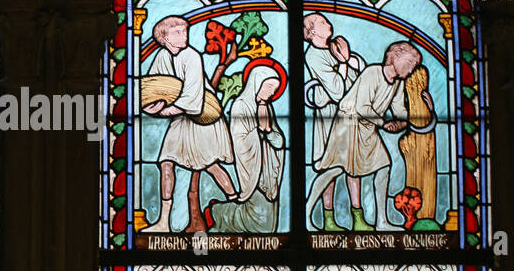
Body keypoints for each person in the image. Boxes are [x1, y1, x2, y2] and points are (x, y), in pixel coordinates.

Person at [305, 40, 422, 231]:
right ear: (395, 58)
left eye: (413, 66)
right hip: (348, 125)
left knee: (384, 166)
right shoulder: (372, 73)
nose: (411, 69)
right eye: (410, 64)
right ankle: (306, 214)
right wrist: (384, 124)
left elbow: (399, 108)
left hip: (367, 129)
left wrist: (401, 123)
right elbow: (362, 107)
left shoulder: (398, 84)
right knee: (334, 170)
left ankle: (381, 221)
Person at [140, 14, 236, 233]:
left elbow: (192, 97)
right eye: (178, 32)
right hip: (181, 119)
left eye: (185, 31)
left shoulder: (192, 56)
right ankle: (164, 222)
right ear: (164, 38)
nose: (184, 35)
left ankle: (236, 202)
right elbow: (152, 89)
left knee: (210, 165)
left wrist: (163, 112)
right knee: (166, 163)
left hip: (203, 117)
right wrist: (150, 108)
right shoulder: (161, 57)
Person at [303, 13, 363, 231]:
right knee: (330, 169)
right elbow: (338, 91)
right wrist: (345, 63)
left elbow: (359, 75)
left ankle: (359, 217)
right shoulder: (313, 56)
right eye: (321, 22)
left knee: (353, 165)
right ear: (311, 32)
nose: (328, 23)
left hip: (348, 116)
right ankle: (328, 219)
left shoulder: (334, 48)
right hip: (329, 118)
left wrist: (348, 61)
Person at [209, 62, 286, 233]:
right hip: (252, 167)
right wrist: (260, 132)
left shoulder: (267, 108)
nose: (271, 92)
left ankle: (221, 214)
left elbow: (279, 141)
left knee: (270, 223)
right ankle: (219, 213)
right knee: (262, 223)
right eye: (269, 86)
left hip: (269, 172)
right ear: (256, 82)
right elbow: (240, 140)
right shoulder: (240, 105)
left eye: (274, 89)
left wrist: (269, 133)